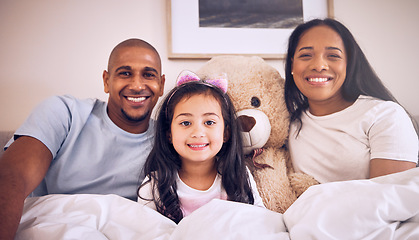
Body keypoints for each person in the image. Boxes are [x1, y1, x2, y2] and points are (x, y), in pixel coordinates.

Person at [0, 38, 165, 239]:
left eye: (148, 75)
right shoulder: (64, 113)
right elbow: (12, 177)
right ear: (106, 81)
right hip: (53, 225)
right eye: (125, 73)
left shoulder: (170, 138)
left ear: (161, 84)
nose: (138, 85)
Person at [284, 18, 418, 184]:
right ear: (292, 66)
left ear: (349, 64)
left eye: (333, 55)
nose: (319, 65)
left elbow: (388, 199)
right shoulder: (287, 123)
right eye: (305, 55)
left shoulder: (386, 115)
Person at [137, 71, 264, 223]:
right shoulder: (154, 184)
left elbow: (260, 222)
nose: (198, 133)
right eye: (185, 123)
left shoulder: (239, 174)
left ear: (226, 133)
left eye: (209, 122)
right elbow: (144, 232)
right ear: (168, 134)